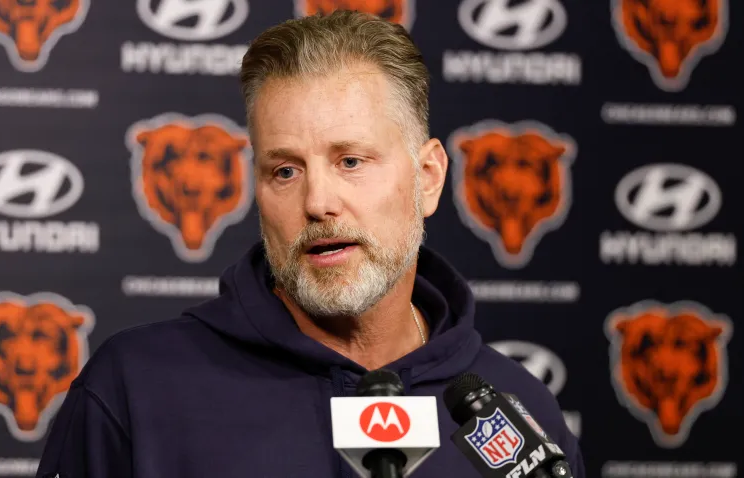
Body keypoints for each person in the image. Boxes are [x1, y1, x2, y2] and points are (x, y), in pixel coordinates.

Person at [36, 10, 585, 478]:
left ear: (429, 177)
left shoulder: (518, 415)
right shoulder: (134, 389)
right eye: (285, 171)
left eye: (351, 161)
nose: (318, 202)